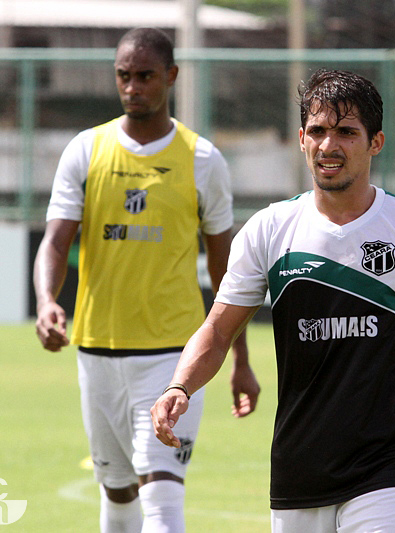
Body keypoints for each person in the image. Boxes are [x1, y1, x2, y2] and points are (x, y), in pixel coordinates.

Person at [152, 68, 395, 532]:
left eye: (346, 132)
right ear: (301, 139)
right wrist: (179, 386)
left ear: (375, 142)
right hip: (300, 466)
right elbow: (219, 329)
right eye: (318, 131)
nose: (329, 145)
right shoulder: (269, 230)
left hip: (390, 466)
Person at [33, 27, 260, 533]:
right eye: (123, 76)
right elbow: (54, 241)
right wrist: (47, 300)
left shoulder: (202, 161)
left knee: (160, 492)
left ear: (172, 77)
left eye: (145, 76)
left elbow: (228, 273)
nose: (132, 86)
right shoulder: (86, 151)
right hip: (98, 352)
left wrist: (239, 359)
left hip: (172, 357)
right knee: (117, 493)